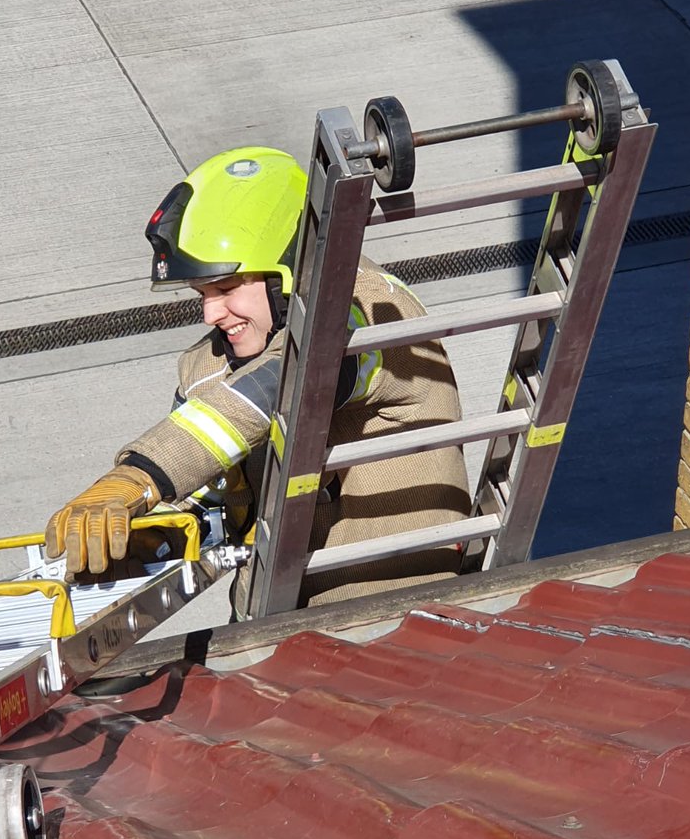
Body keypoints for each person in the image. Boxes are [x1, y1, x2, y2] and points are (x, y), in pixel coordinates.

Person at [45, 147, 470, 615]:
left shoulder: (370, 311)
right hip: (268, 621)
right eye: (202, 294)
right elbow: (204, 493)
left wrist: (139, 474)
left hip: (389, 609)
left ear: (286, 270)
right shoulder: (207, 365)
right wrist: (145, 540)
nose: (210, 312)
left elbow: (287, 382)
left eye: (227, 288)